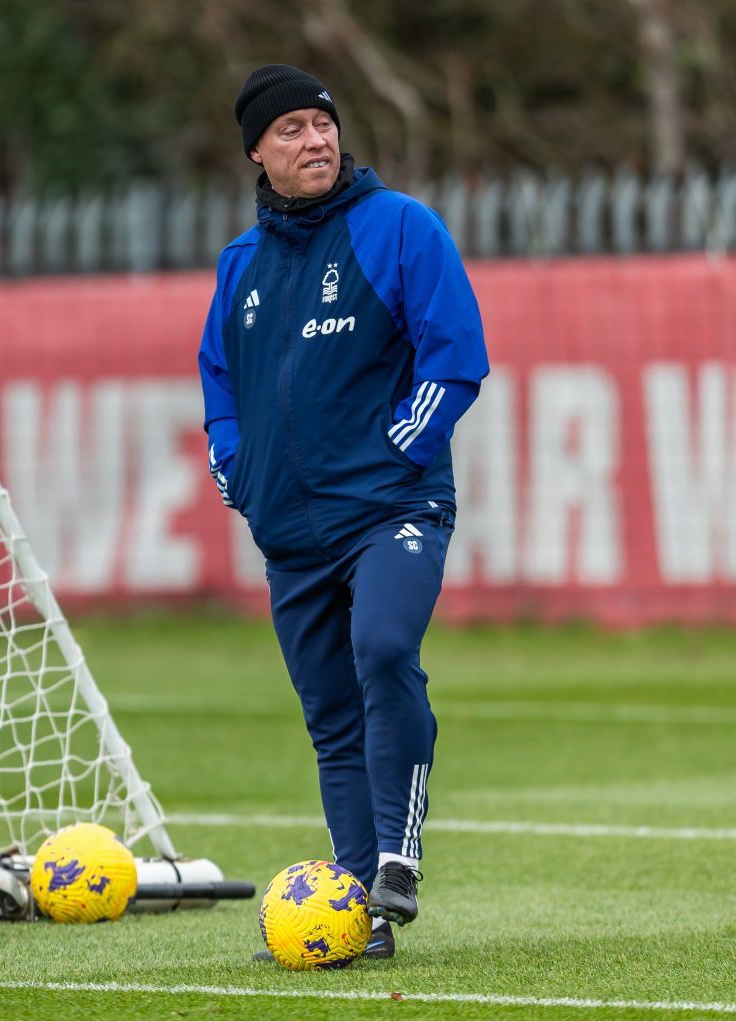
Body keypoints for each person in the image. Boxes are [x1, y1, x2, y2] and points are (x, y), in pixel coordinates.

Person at [198, 64, 489, 960]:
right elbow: (219, 381)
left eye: (321, 124)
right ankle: (361, 915)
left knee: (386, 649)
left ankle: (397, 859)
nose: (314, 140)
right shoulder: (241, 265)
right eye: (288, 129)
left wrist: (400, 448)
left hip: (393, 507)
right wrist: (239, 471)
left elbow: (458, 356)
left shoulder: (400, 226)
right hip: (290, 532)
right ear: (256, 149)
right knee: (330, 716)